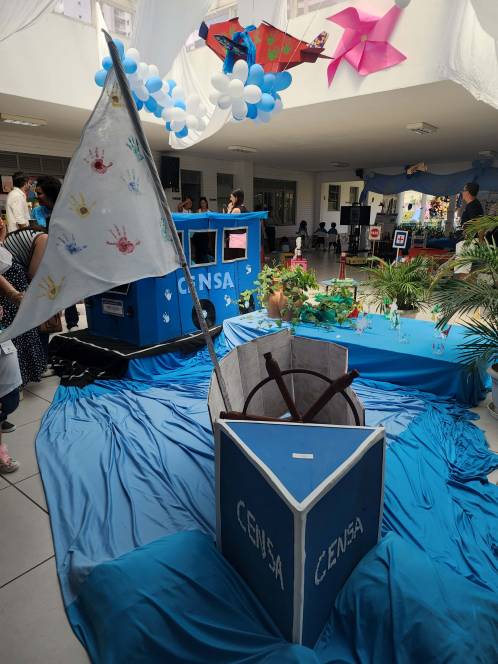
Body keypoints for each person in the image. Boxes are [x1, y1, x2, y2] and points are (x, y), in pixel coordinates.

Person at [1, 224, 49, 383]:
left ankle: (22, 375)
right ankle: (22, 376)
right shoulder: (44, 238)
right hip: (13, 279)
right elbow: (33, 273)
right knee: (22, 330)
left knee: (20, 330)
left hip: (10, 281)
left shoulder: (32, 235)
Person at [35, 176, 79, 330]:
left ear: (50, 193)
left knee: (69, 286)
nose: (36, 196)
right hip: (50, 254)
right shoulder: (41, 211)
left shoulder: (65, 210)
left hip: (67, 254)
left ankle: (72, 321)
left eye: (39, 193)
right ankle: (53, 322)